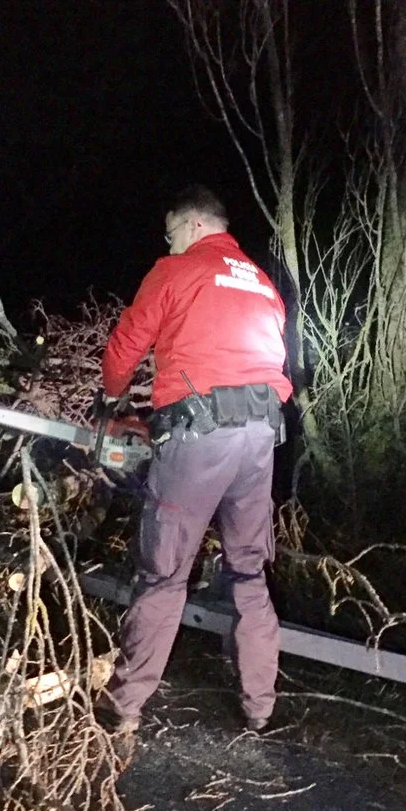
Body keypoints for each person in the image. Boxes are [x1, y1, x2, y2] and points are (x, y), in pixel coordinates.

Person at [97, 185, 293, 735]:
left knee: (163, 573)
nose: (170, 243)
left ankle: (123, 705)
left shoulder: (177, 270)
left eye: (171, 234)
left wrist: (110, 400)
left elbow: (126, 346)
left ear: (192, 225)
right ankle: (260, 708)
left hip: (200, 438)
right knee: (248, 572)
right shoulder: (263, 284)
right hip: (260, 437)